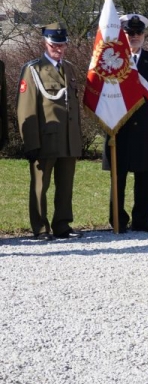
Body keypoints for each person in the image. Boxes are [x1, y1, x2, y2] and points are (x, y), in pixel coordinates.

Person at [16, 23, 83, 240]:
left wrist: (76, 138)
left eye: (62, 45)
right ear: (45, 43)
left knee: (65, 186)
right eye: (55, 45)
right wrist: (31, 143)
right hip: (45, 139)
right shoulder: (33, 70)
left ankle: (62, 225)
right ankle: (41, 228)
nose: (59, 49)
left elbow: (72, 106)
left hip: (67, 139)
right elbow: (26, 108)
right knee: (40, 186)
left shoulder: (69, 68)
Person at [102, 14, 148, 233]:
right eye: (130, 32)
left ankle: (142, 219)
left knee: (144, 175)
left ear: (144, 35)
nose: (135, 36)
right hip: (119, 126)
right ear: (123, 34)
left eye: (139, 32)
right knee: (118, 175)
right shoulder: (111, 59)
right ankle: (117, 219)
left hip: (145, 126)